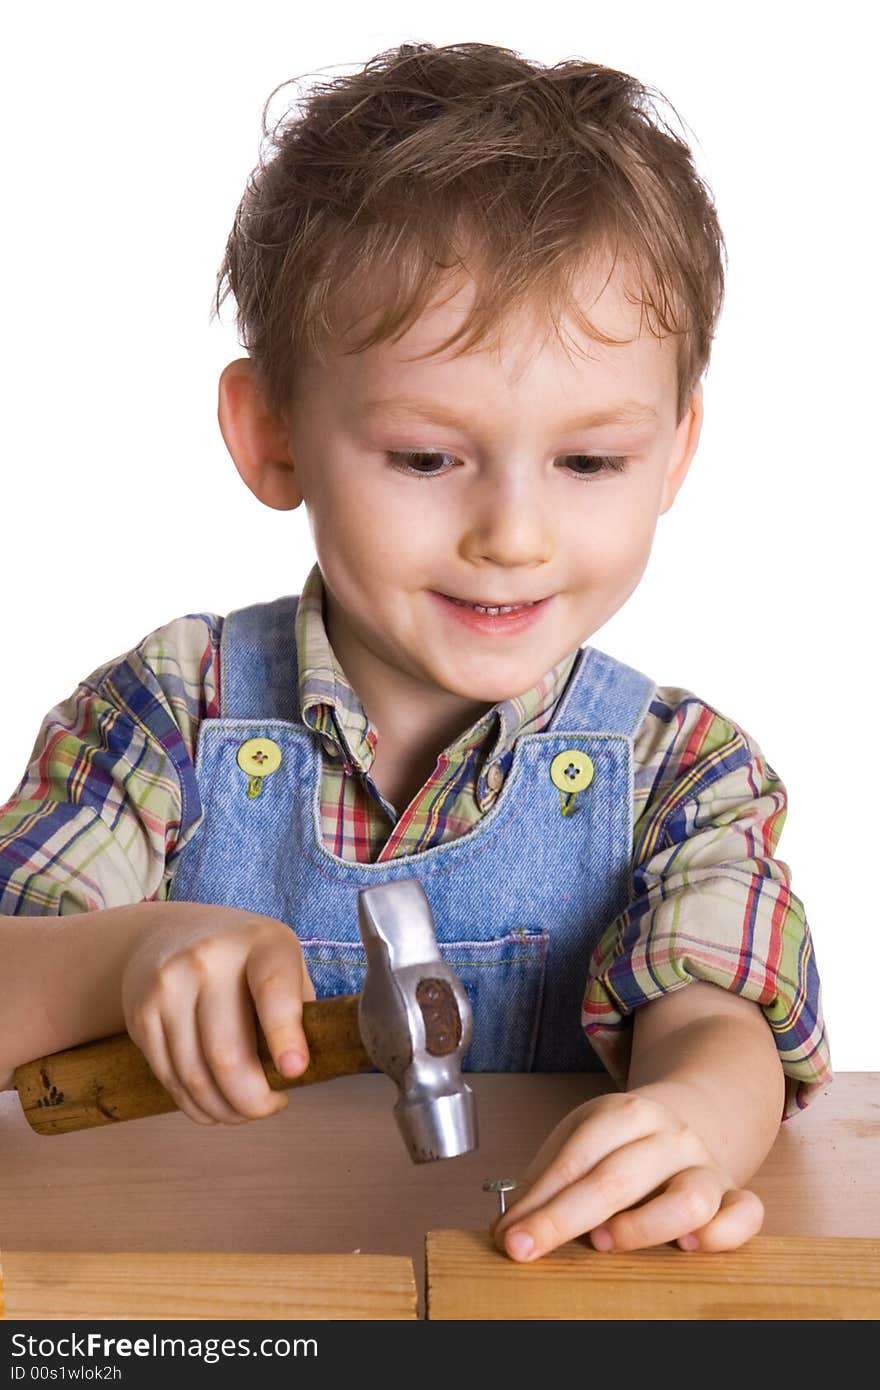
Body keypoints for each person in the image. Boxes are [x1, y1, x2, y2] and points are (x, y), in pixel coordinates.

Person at [0, 41, 831, 1264]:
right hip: (219, 1295)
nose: (513, 535)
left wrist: (693, 1116)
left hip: (533, 1302)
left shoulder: (678, 774)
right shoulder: (169, 717)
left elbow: (718, 1006)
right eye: (428, 458)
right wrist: (129, 953)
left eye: (589, 462)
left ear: (675, 452)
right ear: (274, 436)